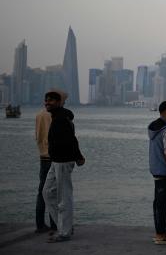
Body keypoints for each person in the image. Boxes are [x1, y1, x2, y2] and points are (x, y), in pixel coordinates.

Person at [43, 91, 85, 243]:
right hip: (55, 161)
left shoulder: (61, 118)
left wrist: (78, 156)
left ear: (59, 102)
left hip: (64, 161)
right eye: (46, 100)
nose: (47, 102)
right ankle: (65, 226)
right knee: (47, 192)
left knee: (63, 197)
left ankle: (64, 232)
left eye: (51, 100)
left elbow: (71, 139)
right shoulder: (57, 116)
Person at [35, 89, 66, 234]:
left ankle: (40, 224)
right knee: (56, 192)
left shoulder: (39, 115)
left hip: (43, 156)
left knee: (42, 191)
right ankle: (55, 225)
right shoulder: (59, 115)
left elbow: (37, 136)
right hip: (56, 157)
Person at [148, 100, 166, 244]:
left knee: (158, 203)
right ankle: (160, 235)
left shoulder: (153, 126)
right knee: (162, 203)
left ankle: (160, 232)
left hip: (155, 169)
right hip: (165, 171)